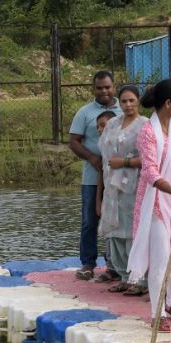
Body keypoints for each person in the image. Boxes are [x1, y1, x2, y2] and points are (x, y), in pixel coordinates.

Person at [129, 79, 171, 323]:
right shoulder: (148, 131)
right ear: (168, 103)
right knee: (162, 255)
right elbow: (150, 172)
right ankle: (158, 313)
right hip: (158, 200)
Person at [68, 71, 117, 280]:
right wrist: (92, 158)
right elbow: (73, 141)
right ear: (93, 88)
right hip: (92, 177)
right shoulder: (85, 112)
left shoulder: (123, 109)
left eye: (107, 87)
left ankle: (113, 265)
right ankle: (87, 264)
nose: (104, 91)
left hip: (118, 179)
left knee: (117, 221)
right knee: (90, 220)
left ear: (113, 86)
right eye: (99, 88)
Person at [98, 87, 145, 295]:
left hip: (134, 185)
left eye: (132, 101)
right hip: (113, 186)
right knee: (116, 232)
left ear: (138, 101)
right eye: (124, 101)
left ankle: (140, 279)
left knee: (133, 232)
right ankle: (125, 276)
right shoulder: (112, 124)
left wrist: (124, 162)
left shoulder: (144, 126)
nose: (128, 105)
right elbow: (104, 153)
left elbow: (149, 158)